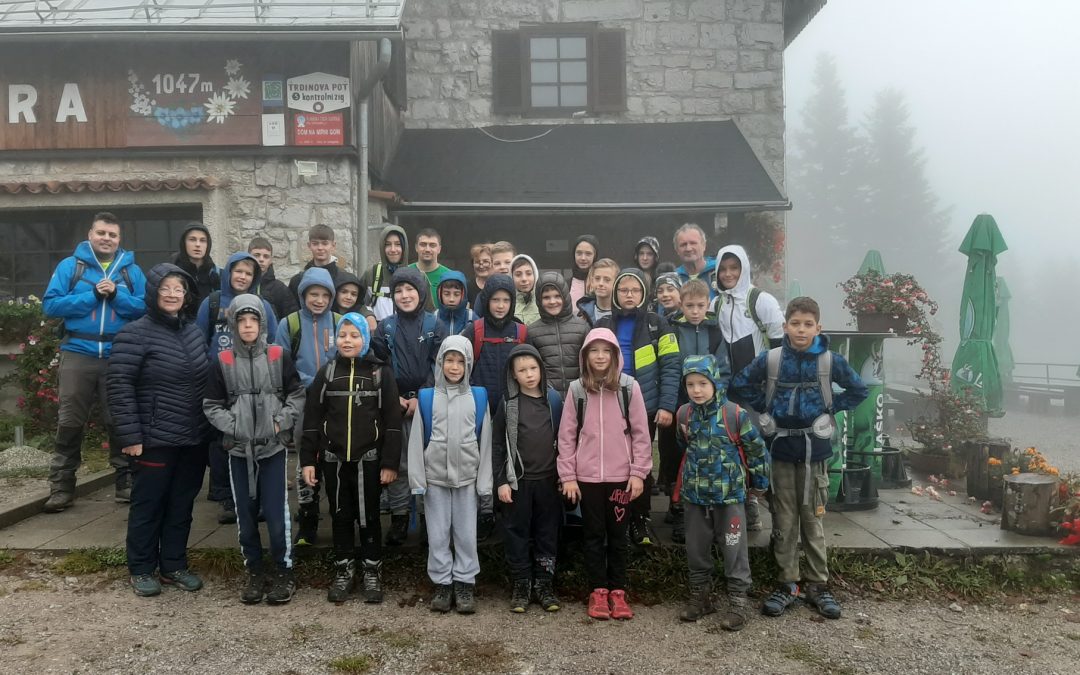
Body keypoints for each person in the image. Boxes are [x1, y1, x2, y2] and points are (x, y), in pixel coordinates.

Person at [731, 296, 868, 620]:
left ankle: (818, 584)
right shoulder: (772, 359)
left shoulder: (830, 361)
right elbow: (740, 383)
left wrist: (831, 408)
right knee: (783, 519)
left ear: (818, 327)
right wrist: (765, 408)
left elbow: (858, 390)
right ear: (785, 326)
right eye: (796, 324)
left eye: (808, 324)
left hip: (814, 453)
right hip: (779, 451)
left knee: (813, 519)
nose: (801, 330)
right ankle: (787, 582)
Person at [107, 263, 209, 598]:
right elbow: (119, 386)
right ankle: (140, 568)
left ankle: (173, 565)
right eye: (165, 288)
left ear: (186, 295)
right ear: (153, 293)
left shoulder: (193, 332)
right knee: (148, 504)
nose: (172, 294)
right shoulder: (134, 334)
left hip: (192, 437)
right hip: (154, 438)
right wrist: (131, 436)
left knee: (182, 504)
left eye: (178, 288)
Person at [202, 294, 305, 605]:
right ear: (234, 324)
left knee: (276, 515)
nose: (247, 326)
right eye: (242, 321)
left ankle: (284, 570)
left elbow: (296, 394)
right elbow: (211, 404)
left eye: (253, 321)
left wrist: (279, 422)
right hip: (238, 451)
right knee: (245, 516)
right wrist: (234, 426)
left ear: (262, 323)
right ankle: (255, 571)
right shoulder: (223, 361)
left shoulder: (278, 355)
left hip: (272, 449)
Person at [42, 212, 147, 512]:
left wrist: (115, 296)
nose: (107, 239)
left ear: (119, 240)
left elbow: (142, 310)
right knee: (70, 421)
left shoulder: (131, 272)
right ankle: (61, 487)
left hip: (118, 354)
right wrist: (91, 294)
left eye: (112, 235)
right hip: (77, 351)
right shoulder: (70, 267)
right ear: (90, 234)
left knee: (119, 419)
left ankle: (125, 483)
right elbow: (50, 305)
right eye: (101, 233)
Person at [301, 313, 402, 604]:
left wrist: (390, 463)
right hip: (333, 461)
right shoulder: (327, 373)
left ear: (365, 338)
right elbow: (312, 418)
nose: (348, 340)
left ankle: (372, 570)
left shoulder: (380, 373)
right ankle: (343, 569)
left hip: (369, 461)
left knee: (369, 516)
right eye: (343, 335)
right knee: (340, 516)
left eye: (354, 335)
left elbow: (392, 422)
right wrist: (309, 459)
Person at [558, 328, 652, 621]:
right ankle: (598, 591)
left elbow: (641, 434)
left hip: (620, 478)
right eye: (594, 351)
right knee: (593, 536)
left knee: (618, 536)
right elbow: (566, 436)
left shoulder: (629, 388)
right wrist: (568, 476)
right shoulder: (576, 390)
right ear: (585, 356)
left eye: (606, 351)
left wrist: (638, 473)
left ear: (615, 355)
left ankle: (618, 592)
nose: (600, 356)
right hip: (587, 479)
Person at [674, 355, 768, 630]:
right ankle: (701, 597)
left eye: (703, 383)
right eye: (690, 384)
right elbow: (684, 446)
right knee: (696, 549)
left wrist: (759, 484)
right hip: (695, 498)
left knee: (734, 549)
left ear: (715, 382)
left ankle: (738, 602)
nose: (697, 390)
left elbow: (756, 450)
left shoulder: (734, 415)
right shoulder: (684, 414)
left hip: (729, 499)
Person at [408, 335, 492, 614]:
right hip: (435, 480)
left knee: (467, 534)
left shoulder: (478, 397)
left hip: (467, 478)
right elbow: (417, 441)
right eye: (449, 360)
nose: (454, 367)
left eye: (461, 361)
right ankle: (443, 583)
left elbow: (486, 441)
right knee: (438, 533)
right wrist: (418, 482)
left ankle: (465, 582)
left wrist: (485, 483)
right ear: (440, 362)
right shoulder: (427, 397)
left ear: (468, 364)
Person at [596, 268, 680, 547]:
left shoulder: (659, 324)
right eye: (623, 290)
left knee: (640, 464)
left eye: (634, 290)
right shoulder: (604, 323)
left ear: (643, 293)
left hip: (646, 406)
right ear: (616, 294)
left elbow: (671, 367)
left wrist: (667, 406)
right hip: (610, 404)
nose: (628, 295)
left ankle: (640, 518)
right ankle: (617, 515)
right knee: (615, 463)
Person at [196, 252, 278, 525]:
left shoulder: (263, 305)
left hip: (256, 381)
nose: (242, 276)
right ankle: (227, 498)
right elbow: (199, 339)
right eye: (238, 271)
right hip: (221, 378)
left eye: (248, 273)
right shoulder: (213, 302)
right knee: (223, 441)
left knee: (259, 438)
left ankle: (262, 498)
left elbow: (274, 344)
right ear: (228, 272)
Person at [713, 244, 785, 530]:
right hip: (727, 391)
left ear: (744, 268)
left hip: (755, 390)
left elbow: (780, 344)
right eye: (724, 269)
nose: (729, 274)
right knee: (734, 448)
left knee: (758, 446)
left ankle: (771, 505)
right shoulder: (715, 304)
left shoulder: (761, 300)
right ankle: (746, 504)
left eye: (734, 268)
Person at [372, 267, 445, 547]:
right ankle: (400, 516)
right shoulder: (386, 327)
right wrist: (395, 397)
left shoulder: (433, 325)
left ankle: (429, 519)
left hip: (427, 404)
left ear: (421, 292)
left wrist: (422, 396)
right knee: (399, 462)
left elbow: (438, 365)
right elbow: (379, 366)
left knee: (429, 463)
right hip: (395, 405)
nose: (404, 296)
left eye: (409, 290)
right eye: (398, 291)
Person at [493, 344, 564, 613]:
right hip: (518, 483)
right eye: (522, 370)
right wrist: (501, 480)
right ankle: (521, 584)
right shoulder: (507, 403)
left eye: (533, 368)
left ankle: (544, 584)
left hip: (548, 481)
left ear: (541, 369)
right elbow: (498, 444)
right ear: (513, 374)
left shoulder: (554, 400)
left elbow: (565, 439)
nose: (529, 374)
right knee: (516, 533)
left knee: (547, 533)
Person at [662, 279, 732, 542]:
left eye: (700, 305)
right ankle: (677, 507)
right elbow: (667, 364)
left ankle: (701, 510)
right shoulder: (671, 327)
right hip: (678, 403)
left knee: (701, 457)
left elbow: (724, 370)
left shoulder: (715, 331)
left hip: (708, 406)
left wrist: (716, 402)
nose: (694, 311)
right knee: (674, 457)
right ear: (681, 303)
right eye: (689, 305)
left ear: (708, 304)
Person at [275, 267, 340, 546]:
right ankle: (308, 518)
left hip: (336, 402)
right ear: (303, 294)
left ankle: (340, 520)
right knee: (306, 461)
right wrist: (308, 383)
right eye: (313, 294)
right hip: (303, 402)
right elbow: (280, 363)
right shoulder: (289, 323)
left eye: (325, 295)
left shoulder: (339, 322)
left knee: (336, 460)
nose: (319, 300)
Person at [459, 273, 526, 541]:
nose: (500, 305)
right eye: (495, 299)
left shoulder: (520, 332)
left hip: (512, 408)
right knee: (483, 460)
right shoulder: (474, 331)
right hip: (480, 409)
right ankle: (486, 512)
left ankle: (508, 507)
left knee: (509, 458)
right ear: (486, 301)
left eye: (506, 300)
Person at [526, 271, 589, 398]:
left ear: (565, 296)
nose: (552, 301)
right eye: (546, 297)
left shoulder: (582, 327)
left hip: (579, 397)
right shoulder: (532, 331)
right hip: (548, 400)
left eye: (557, 296)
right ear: (539, 300)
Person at [364, 223, 409, 322]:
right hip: (379, 335)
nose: (393, 250)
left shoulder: (417, 276)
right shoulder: (371, 274)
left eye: (398, 244)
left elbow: (429, 311)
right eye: (388, 245)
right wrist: (368, 315)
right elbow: (357, 303)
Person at [171, 222, 219, 313]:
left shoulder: (216, 274)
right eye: (192, 239)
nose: (198, 244)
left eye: (202, 240)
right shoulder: (172, 272)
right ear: (184, 243)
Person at [248, 236, 298, 321]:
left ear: (271, 260)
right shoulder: (242, 284)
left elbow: (292, 321)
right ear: (248, 256)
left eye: (266, 256)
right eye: (257, 255)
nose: (261, 259)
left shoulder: (280, 289)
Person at [289, 224, 344, 299]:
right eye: (315, 244)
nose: (320, 248)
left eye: (325, 243)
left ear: (333, 246)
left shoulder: (343, 279)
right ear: (309, 245)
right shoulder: (298, 280)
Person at [409, 228, 452, 310]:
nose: (427, 249)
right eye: (423, 244)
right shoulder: (406, 273)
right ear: (416, 247)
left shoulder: (449, 275)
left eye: (432, 245)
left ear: (439, 249)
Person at [673, 224, 717, 299]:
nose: (688, 248)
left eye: (693, 243)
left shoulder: (718, 271)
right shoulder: (673, 278)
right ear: (677, 250)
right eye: (683, 245)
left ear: (704, 245)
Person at [576, 258, 618, 326]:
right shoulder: (582, 315)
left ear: (616, 283)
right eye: (597, 278)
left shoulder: (623, 314)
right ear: (592, 281)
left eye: (607, 280)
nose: (601, 283)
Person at [435, 270, 475, 335]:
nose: (451, 299)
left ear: (463, 295)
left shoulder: (471, 317)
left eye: (456, 294)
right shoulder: (434, 318)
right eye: (446, 294)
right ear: (439, 295)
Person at [568, 235, 598, 308]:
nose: (583, 258)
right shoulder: (566, 285)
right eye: (579, 253)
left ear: (595, 255)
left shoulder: (600, 283)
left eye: (588, 254)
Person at [510, 254, 541, 326]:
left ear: (535, 275)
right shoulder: (507, 302)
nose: (524, 279)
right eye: (518, 274)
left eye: (529, 273)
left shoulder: (543, 300)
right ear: (511, 276)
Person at [467, 243, 493, 309]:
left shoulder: (501, 285)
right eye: (477, 262)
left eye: (485, 261)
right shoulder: (467, 286)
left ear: (493, 263)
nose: (481, 266)